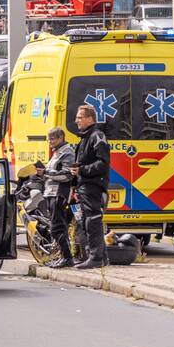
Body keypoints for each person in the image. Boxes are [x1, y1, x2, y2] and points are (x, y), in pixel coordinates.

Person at [69, 104, 111, 269]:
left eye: (79, 117)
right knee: (87, 221)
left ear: (90, 118)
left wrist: (82, 170)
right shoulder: (85, 137)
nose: (76, 121)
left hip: (93, 185)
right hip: (84, 185)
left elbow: (103, 163)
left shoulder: (97, 136)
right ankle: (101, 258)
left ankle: (95, 258)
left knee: (92, 222)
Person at [37, 127, 76, 268]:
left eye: (52, 139)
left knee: (57, 228)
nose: (50, 142)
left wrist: (46, 172)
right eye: (49, 139)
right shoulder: (57, 153)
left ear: (61, 138)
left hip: (59, 193)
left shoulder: (67, 152)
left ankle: (67, 257)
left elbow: (67, 175)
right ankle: (64, 257)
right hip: (51, 193)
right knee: (58, 227)